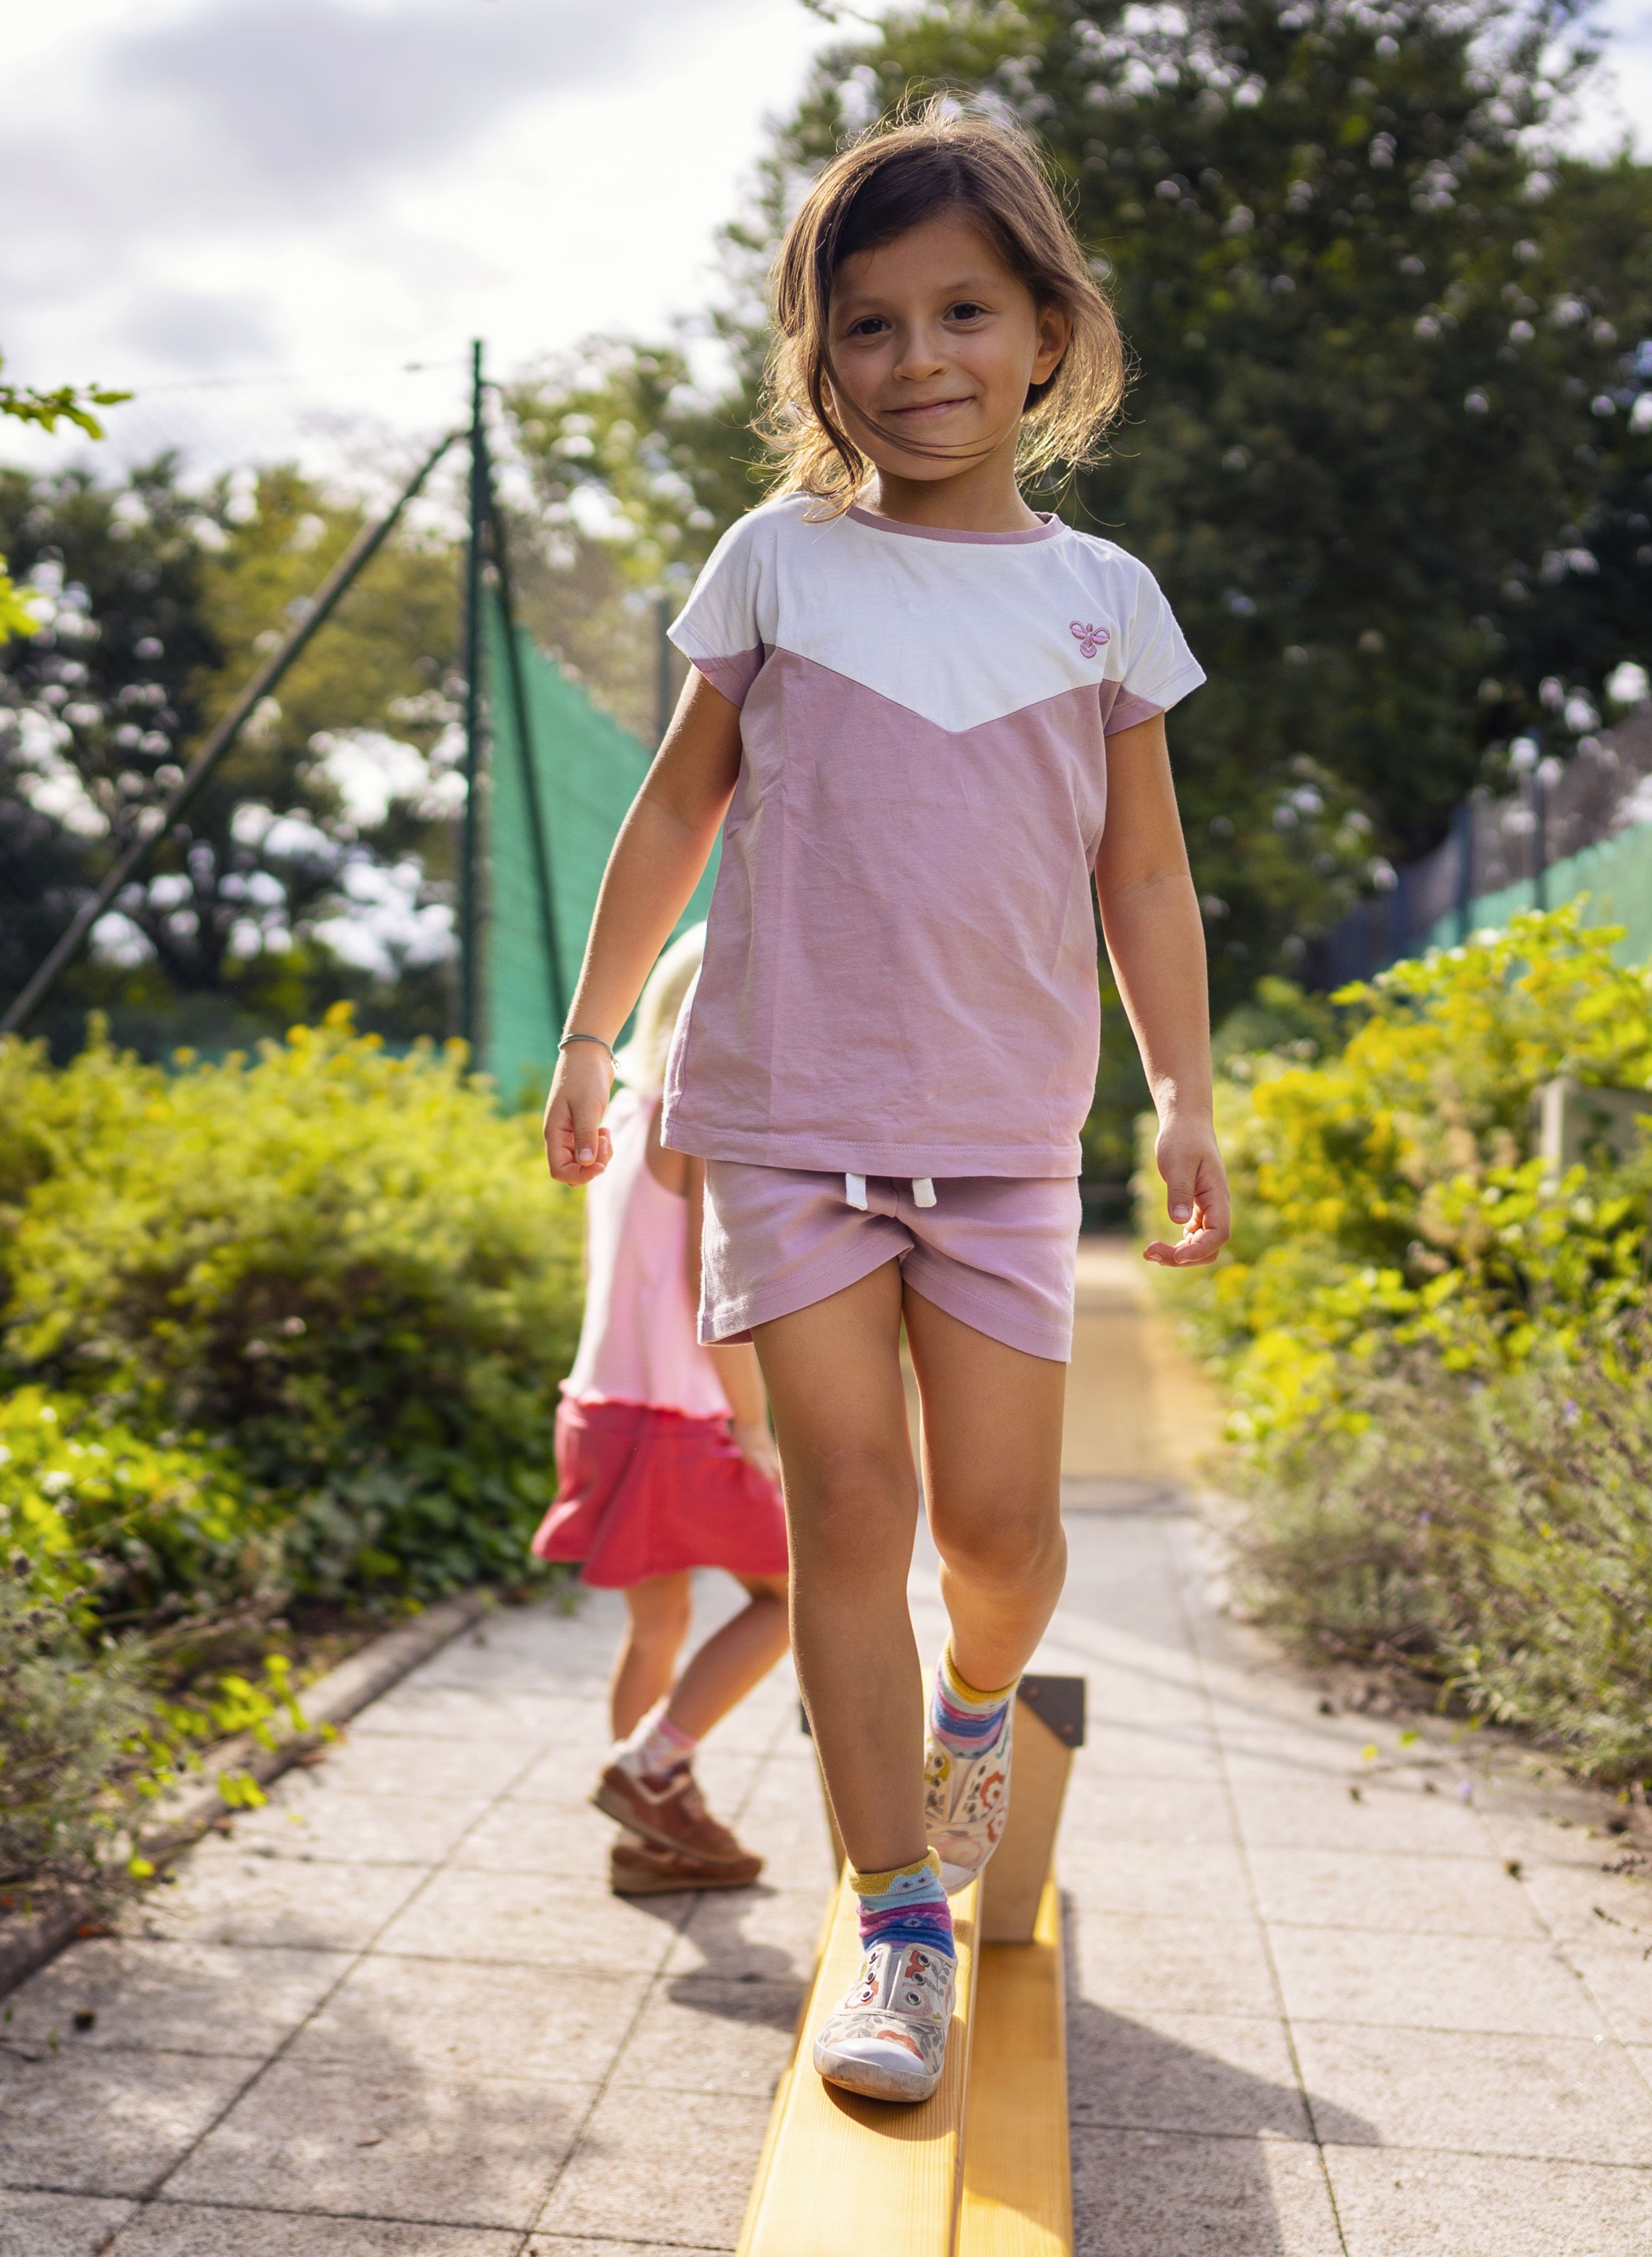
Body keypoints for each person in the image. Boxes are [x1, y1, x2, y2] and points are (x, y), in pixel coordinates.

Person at [540, 105, 1228, 2105]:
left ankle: (979, 1707)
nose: (914, 360)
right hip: (784, 1117)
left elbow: (1147, 874)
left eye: (958, 313)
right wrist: (594, 1038)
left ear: (1042, 332)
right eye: (865, 326)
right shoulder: (774, 565)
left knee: (999, 1541)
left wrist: (1182, 1088)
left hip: (1009, 1136)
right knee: (851, 1502)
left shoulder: (1101, 597)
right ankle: (895, 1920)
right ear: (815, 358)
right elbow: (677, 806)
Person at [531, 924, 796, 1898]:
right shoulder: (699, 1127)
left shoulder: (625, 1115)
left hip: (603, 1408)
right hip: (683, 1423)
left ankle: (649, 1835)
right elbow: (710, 1295)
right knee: (798, 1598)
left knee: (658, 1629)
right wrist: (755, 1426)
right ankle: (651, 1770)